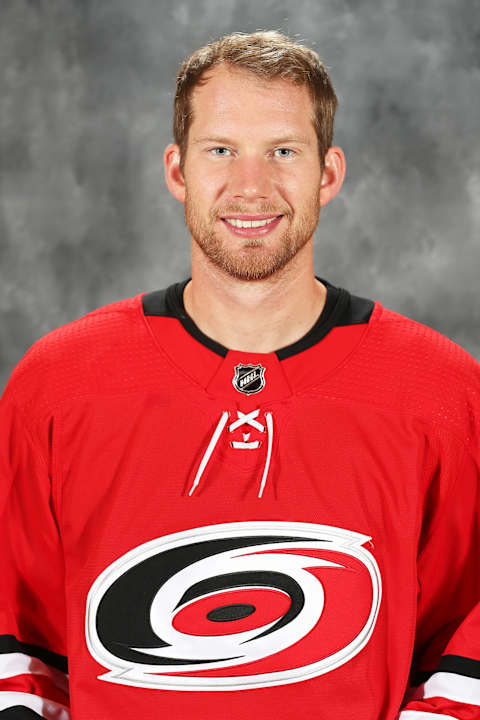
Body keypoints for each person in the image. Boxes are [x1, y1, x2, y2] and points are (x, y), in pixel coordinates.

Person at [0, 30, 479, 720]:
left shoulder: (444, 395)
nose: (250, 186)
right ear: (177, 171)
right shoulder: (56, 386)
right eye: (220, 150)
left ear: (329, 173)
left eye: (283, 151)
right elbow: (23, 655)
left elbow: (464, 652)